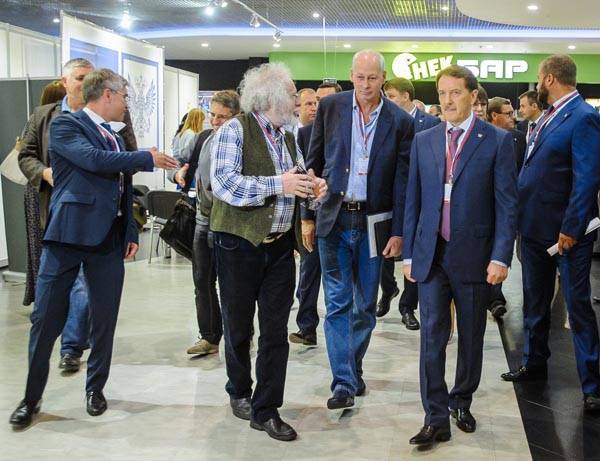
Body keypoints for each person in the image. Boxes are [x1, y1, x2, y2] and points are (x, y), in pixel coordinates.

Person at [9, 68, 179, 428]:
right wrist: (146, 157)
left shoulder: (116, 135)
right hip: (67, 238)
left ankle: (95, 389)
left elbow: (123, 187)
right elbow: (93, 160)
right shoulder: (65, 126)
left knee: (104, 320)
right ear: (107, 94)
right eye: (124, 97)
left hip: (109, 239)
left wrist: (130, 229)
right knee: (46, 320)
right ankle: (31, 398)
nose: (126, 104)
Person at [210, 63, 326, 441]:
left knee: (275, 332)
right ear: (272, 97)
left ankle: (266, 408)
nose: (298, 102)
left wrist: (313, 187)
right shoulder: (234, 130)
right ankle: (239, 390)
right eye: (293, 95)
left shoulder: (289, 137)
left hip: (279, 249)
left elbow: (296, 182)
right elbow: (225, 185)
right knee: (238, 326)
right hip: (238, 245)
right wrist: (281, 184)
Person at [403, 65, 517, 446]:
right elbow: (413, 200)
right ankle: (435, 416)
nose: (447, 100)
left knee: (471, 337)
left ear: (473, 96)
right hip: (432, 255)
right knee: (432, 338)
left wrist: (501, 256)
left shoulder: (497, 141)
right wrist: (409, 254)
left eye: (455, 92)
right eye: (442, 93)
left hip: (475, 257)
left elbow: (507, 205)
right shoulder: (424, 140)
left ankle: (461, 400)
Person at [303, 50, 413, 410]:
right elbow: (313, 164)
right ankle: (343, 383)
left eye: (373, 78)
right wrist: (307, 215)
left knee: (365, 306)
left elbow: (402, 182)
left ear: (383, 78)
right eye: (360, 77)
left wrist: (399, 231)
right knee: (337, 303)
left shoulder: (400, 121)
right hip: (333, 219)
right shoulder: (331, 107)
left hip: (374, 224)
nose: (366, 85)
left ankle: (351, 368)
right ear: (351, 75)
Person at [501, 55, 600, 413]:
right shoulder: (548, 116)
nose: (537, 84)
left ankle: (592, 385)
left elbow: (587, 179)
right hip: (534, 228)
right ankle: (534, 362)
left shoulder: (584, 117)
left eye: (539, 78)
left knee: (577, 307)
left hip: (566, 234)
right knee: (535, 301)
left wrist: (571, 228)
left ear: (549, 79)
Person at [18, 58, 96, 374]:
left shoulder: (102, 115)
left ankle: (71, 347)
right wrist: (44, 173)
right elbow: (26, 156)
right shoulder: (42, 116)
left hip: (90, 214)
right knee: (57, 280)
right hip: (51, 209)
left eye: (91, 77)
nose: (86, 83)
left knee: (83, 282)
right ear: (65, 82)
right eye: (80, 77)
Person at [172, 90, 241, 356]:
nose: (215, 121)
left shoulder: (244, 143)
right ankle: (210, 336)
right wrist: (177, 173)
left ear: (236, 116)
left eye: (222, 116)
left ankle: (240, 335)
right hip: (202, 219)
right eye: (212, 115)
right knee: (202, 280)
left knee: (233, 285)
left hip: (231, 222)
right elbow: (181, 165)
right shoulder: (203, 138)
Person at [377, 77, 441, 329]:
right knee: (383, 247)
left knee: (412, 249)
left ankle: (407, 307)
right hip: (389, 196)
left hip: (420, 197)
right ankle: (387, 289)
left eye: (391, 96)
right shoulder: (384, 121)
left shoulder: (431, 123)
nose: (387, 101)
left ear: (406, 96)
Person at [289, 82, 342, 347]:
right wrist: (305, 218)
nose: (321, 106)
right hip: (316, 214)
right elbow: (305, 177)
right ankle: (307, 327)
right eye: (317, 100)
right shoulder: (306, 133)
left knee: (341, 280)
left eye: (326, 100)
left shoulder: (355, 130)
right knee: (309, 271)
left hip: (345, 216)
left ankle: (341, 331)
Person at [168, 108, 206, 189]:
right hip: (189, 171)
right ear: (198, 120)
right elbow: (186, 155)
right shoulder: (191, 134)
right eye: (202, 121)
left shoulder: (181, 133)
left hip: (181, 170)